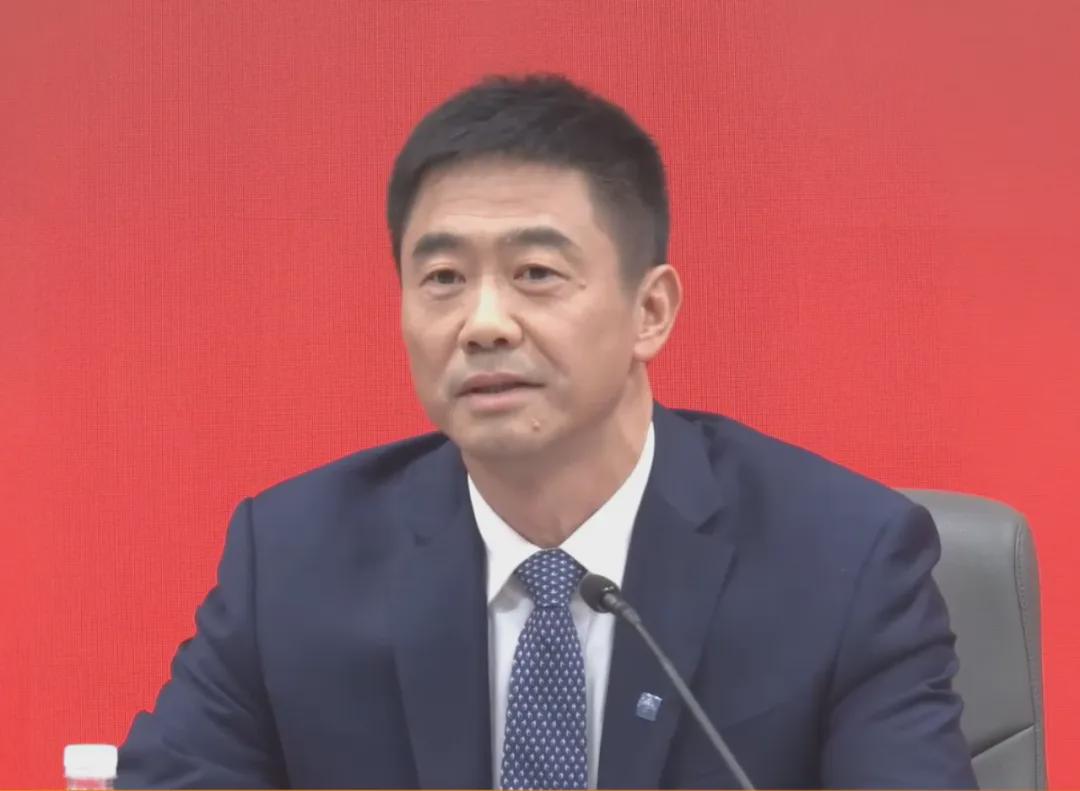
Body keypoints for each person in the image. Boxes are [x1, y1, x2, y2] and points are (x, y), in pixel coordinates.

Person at [117, 74, 977, 789]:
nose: (484, 323)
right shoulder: (293, 560)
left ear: (650, 311)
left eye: (535, 272)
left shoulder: (844, 561)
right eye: (443, 278)